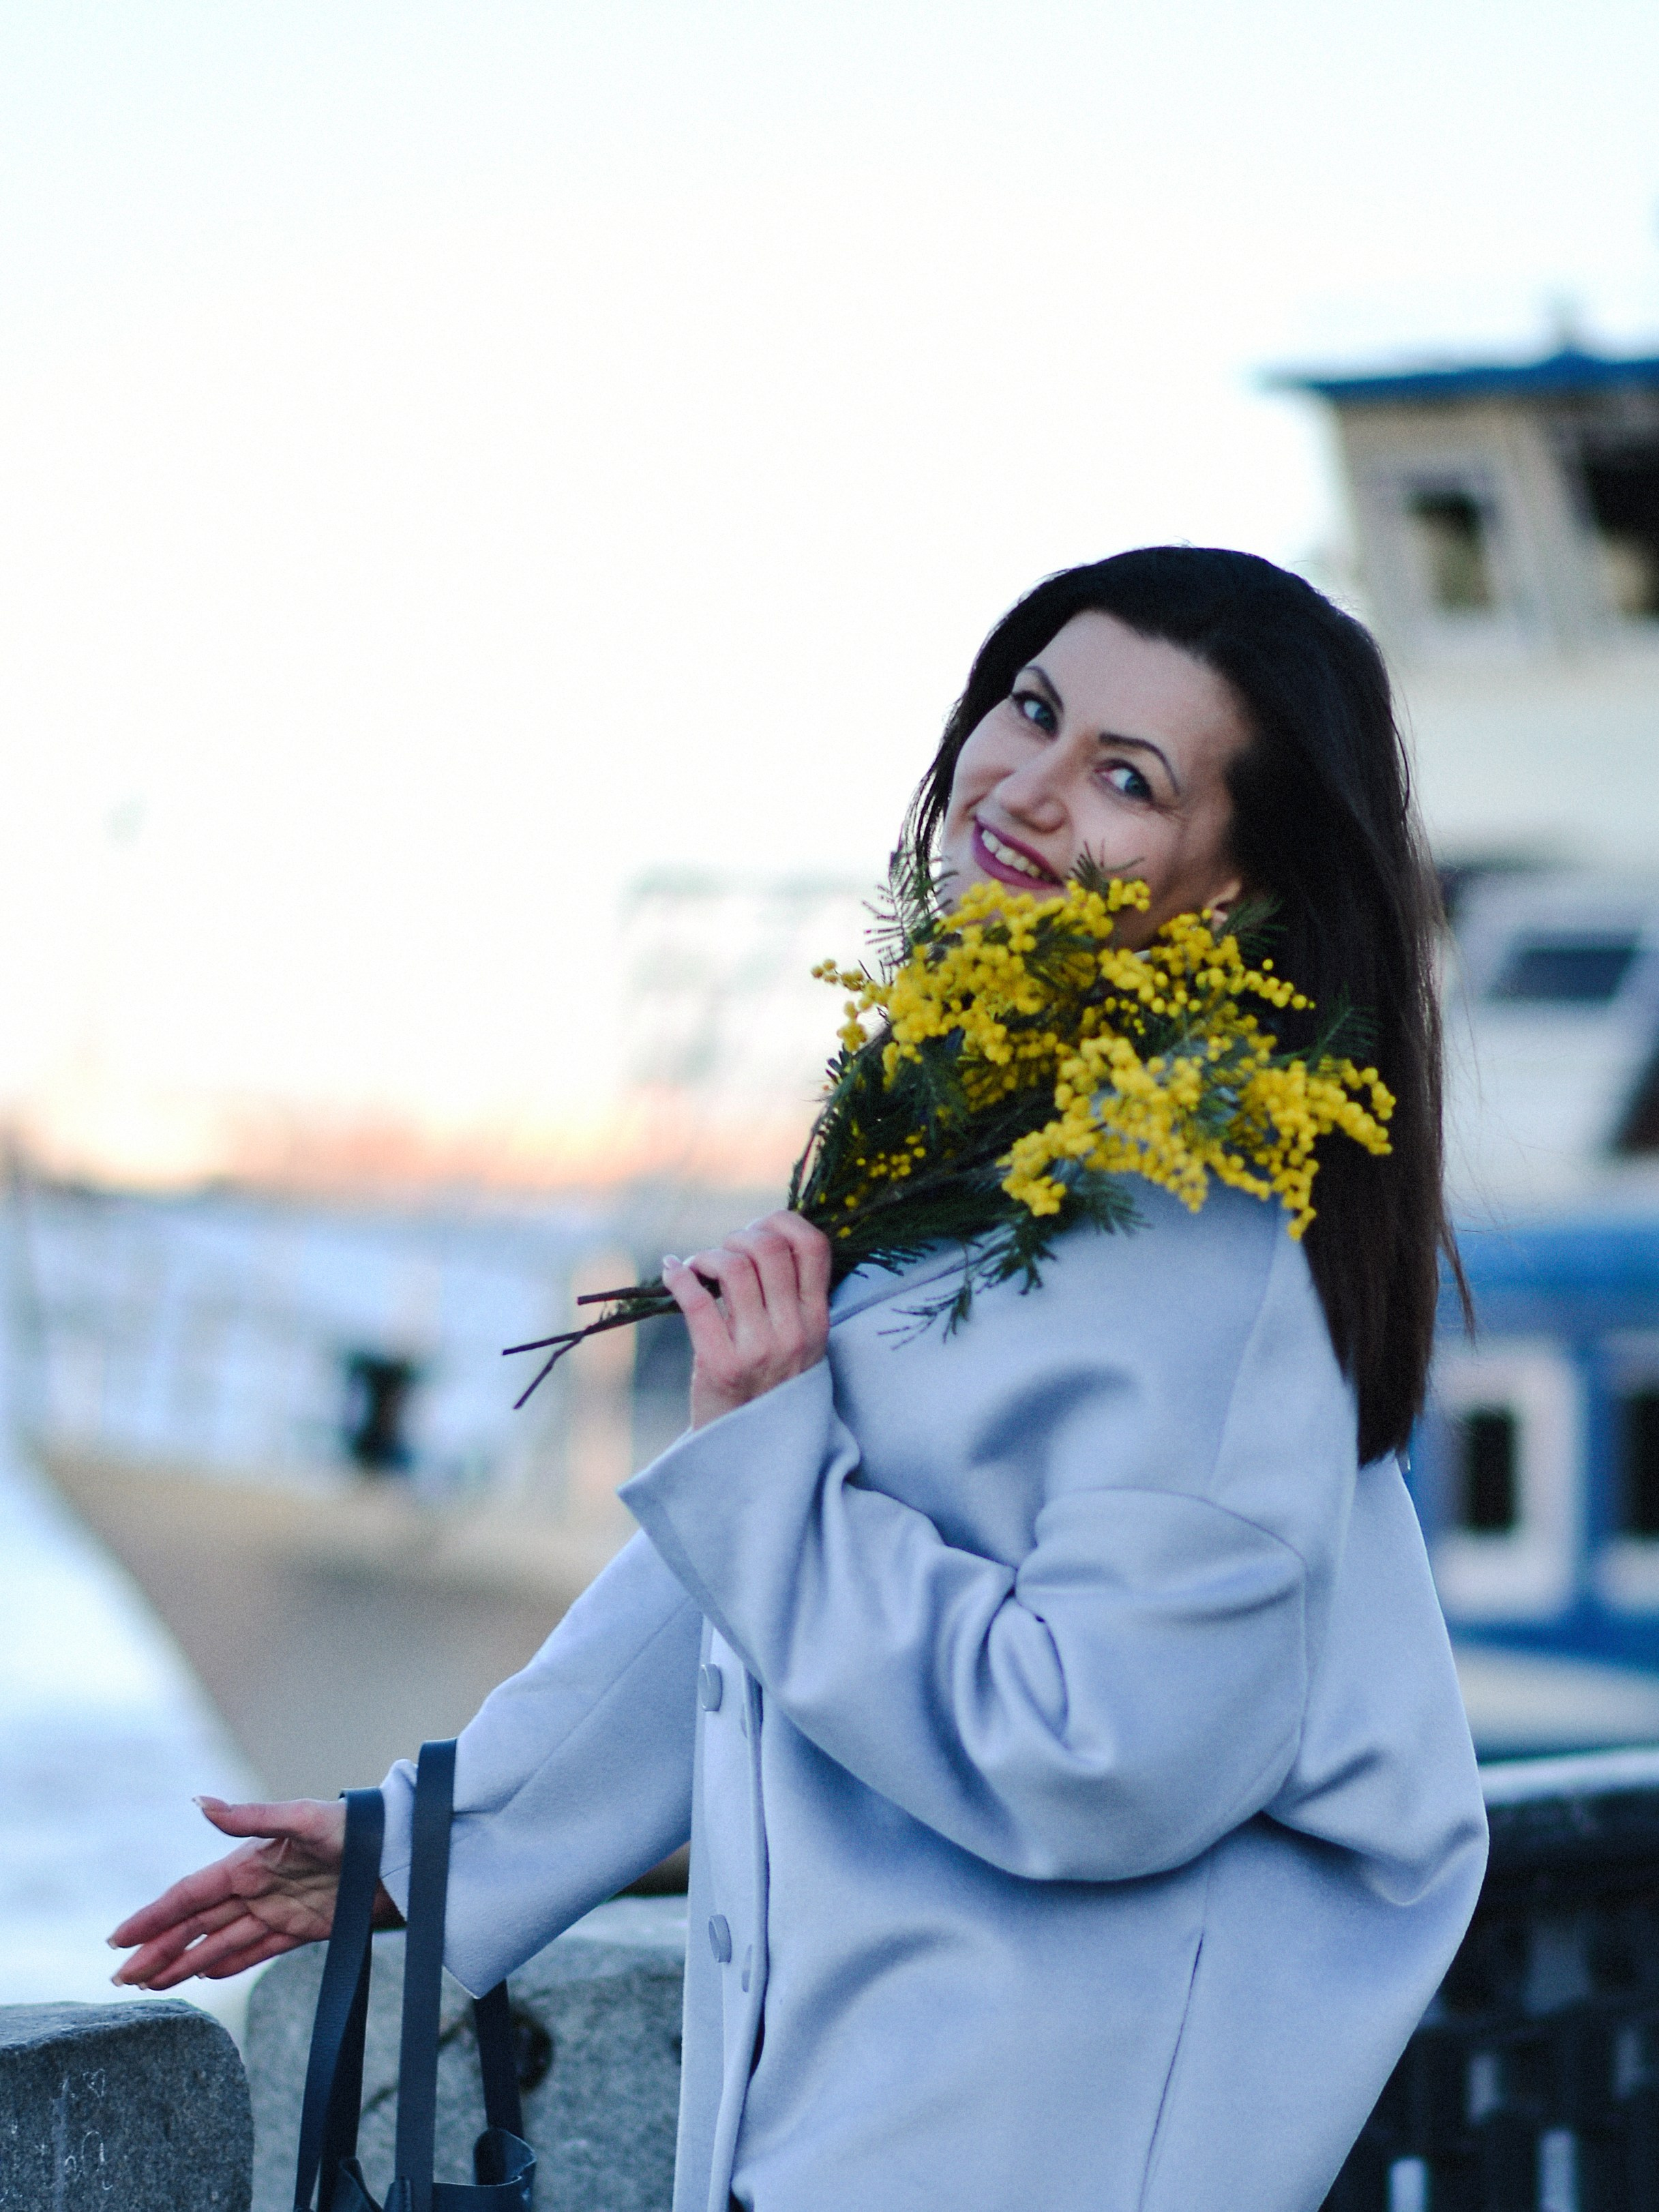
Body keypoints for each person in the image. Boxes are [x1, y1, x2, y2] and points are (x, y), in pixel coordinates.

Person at [110, 548, 1489, 2212]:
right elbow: (741, 1582)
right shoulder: (1009, 1156)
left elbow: (1104, 1756)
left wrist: (772, 1455)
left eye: (1126, 777)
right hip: (881, 2102)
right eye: (1031, 709)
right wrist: (439, 1837)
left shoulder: (1201, 1251)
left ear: (1232, 895)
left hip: (1041, 2134)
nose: (1030, 788)